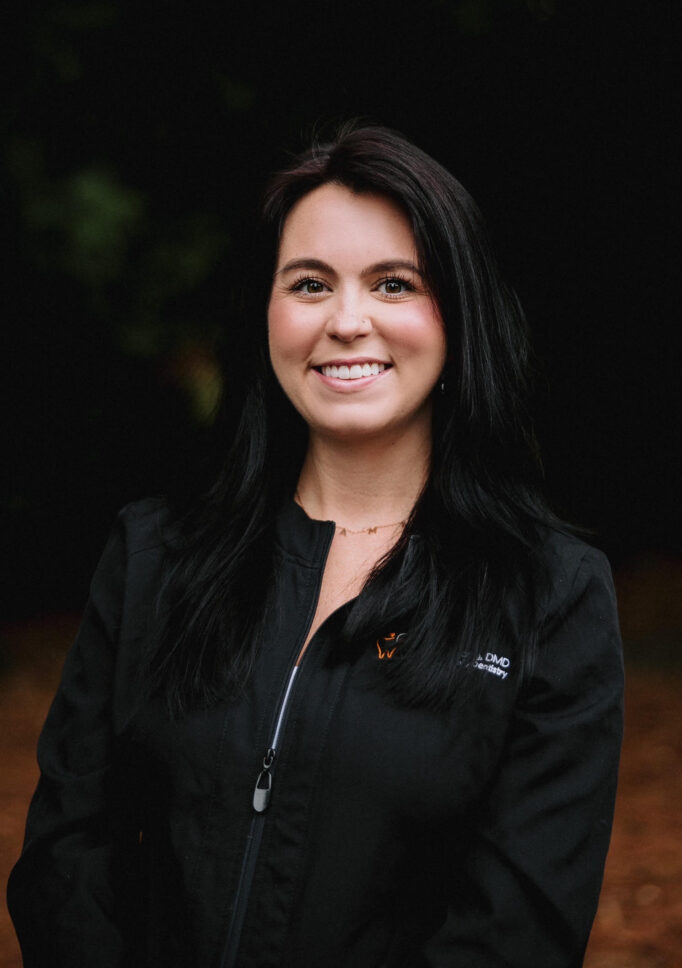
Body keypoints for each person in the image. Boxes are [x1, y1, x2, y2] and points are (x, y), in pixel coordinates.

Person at [8, 125, 623, 967]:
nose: (346, 321)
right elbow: (64, 859)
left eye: (394, 283)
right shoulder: (154, 553)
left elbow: (520, 929)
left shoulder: (550, 595)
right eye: (309, 283)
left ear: (459, 315)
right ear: (266, 312)